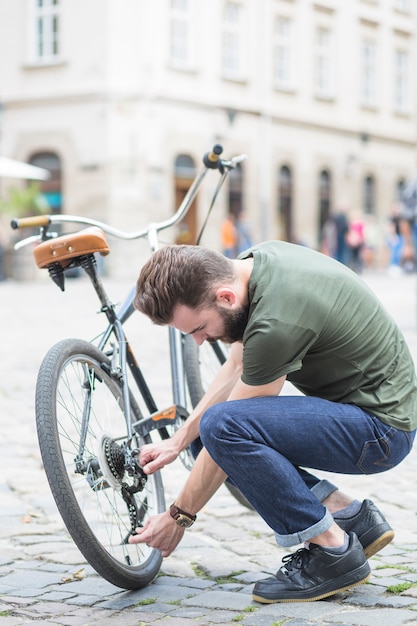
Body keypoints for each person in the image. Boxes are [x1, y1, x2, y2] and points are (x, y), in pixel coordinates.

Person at [130, 241, 417, 604]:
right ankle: (348, 516)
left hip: (380, 433)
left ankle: (331, 552)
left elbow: (228, 428)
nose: (200, 342)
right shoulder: (254, 266)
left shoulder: (276, 322)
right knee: (206, 435)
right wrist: (179, 439)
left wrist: (178, 517)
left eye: (199, 328)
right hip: (369, 411)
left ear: (225, 297)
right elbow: (236, 367)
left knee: (219, 430)